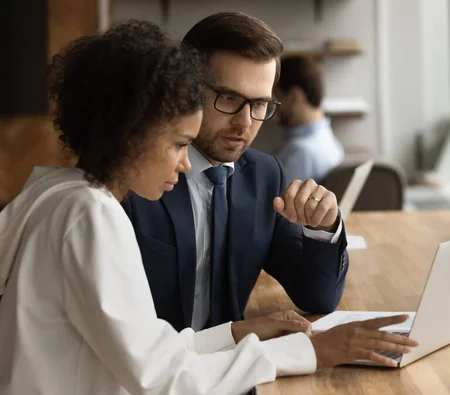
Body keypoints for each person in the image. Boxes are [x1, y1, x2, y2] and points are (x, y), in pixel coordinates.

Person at [0, 21, 418, 395]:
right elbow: (162, 379)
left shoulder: (59, 195)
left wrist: (235, 333)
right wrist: (308, 351)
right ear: (130, 135)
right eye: (179, 143)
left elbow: (149, 348)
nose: (185, 164)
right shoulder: (90, 217)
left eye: (260, 105)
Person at [124, 12, 350, 332]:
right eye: (229, 98)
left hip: (234, 367)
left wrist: (324, 227)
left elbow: (318, 296)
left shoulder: (265, 175)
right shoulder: (135, 176)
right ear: (186, 89)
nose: (245, 123)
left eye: (260, 104)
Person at [274, 55, 344, 184]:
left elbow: (270, 202)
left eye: (277, 98)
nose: (274, 108)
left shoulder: (299, 153)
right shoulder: (329, 139)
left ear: (294, 96)